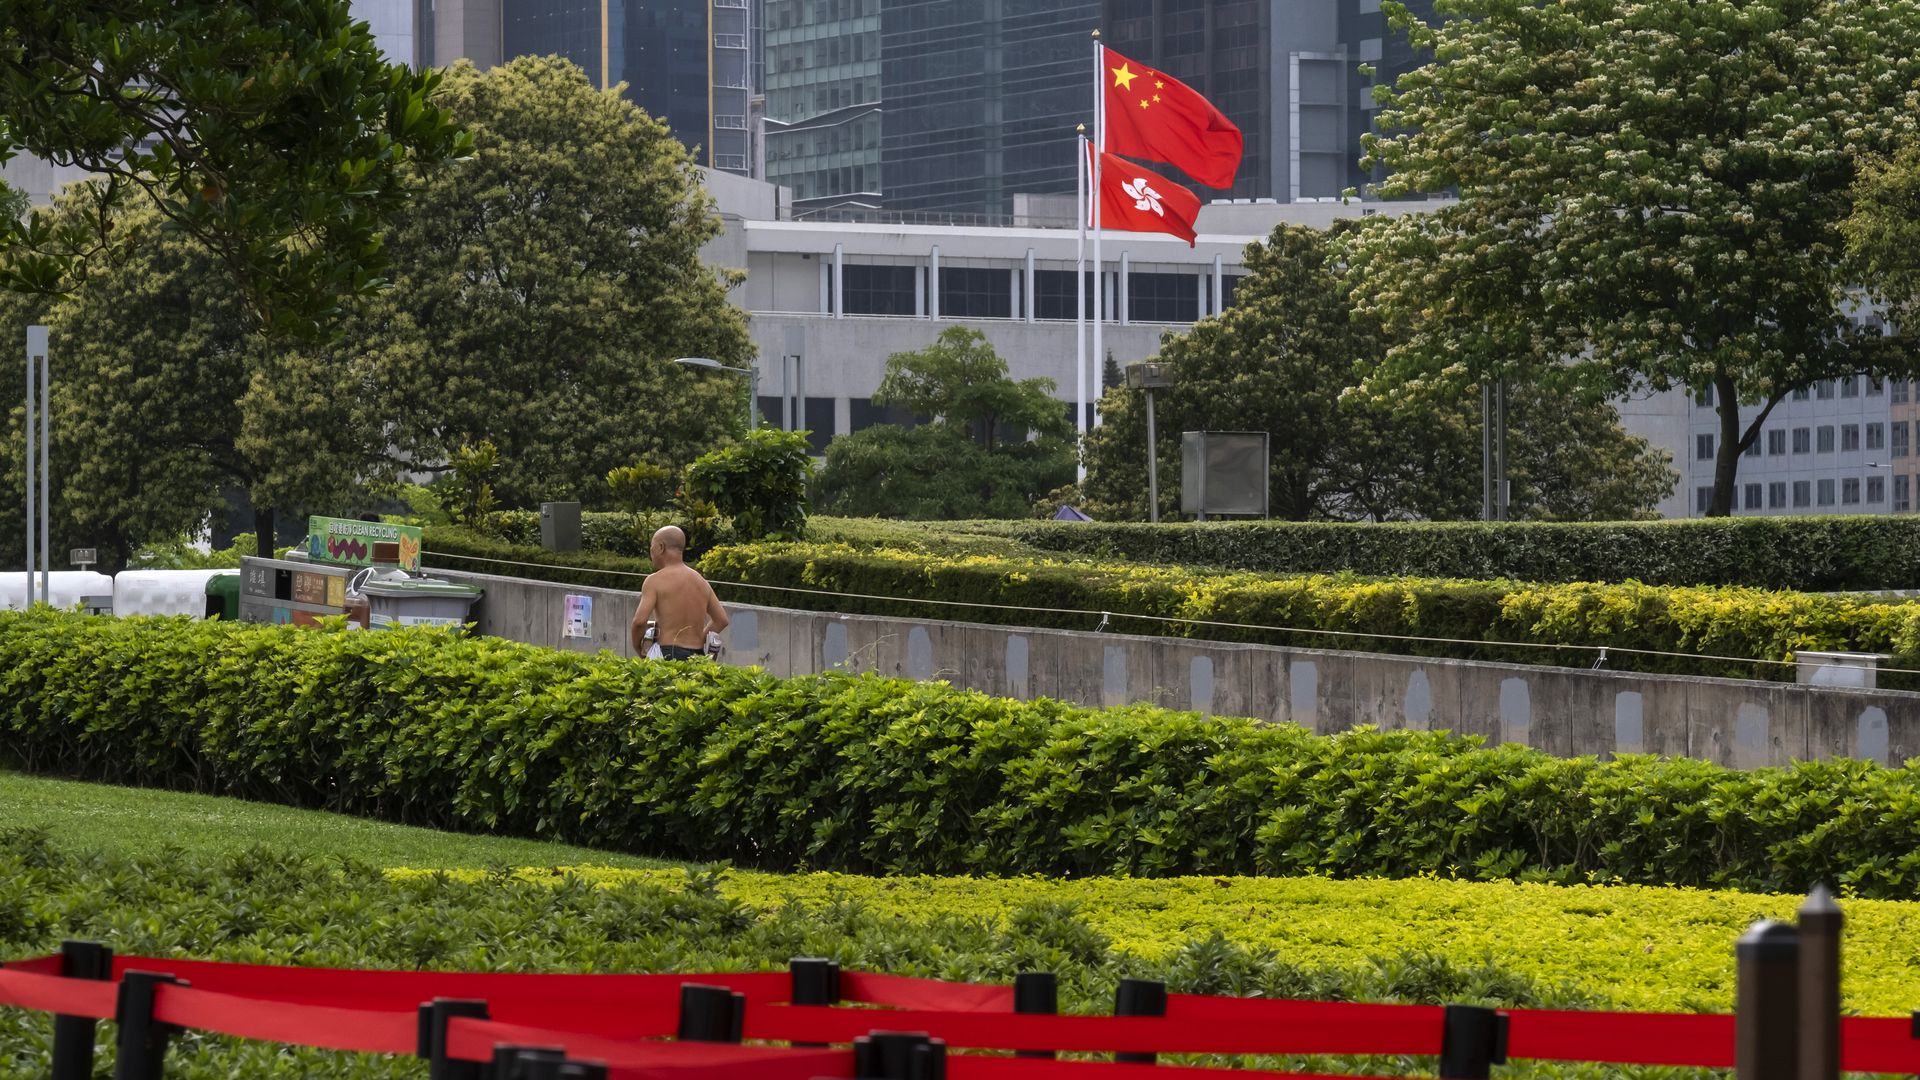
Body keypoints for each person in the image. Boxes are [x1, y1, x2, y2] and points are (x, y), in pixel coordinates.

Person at [630, 525, 729, 661]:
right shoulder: (701, 581)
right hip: (698, 656)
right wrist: (700, 638)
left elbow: (640, 621)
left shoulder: (654, 580)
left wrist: (639, 648)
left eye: (651, 546)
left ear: (660, 547)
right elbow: (721, 620)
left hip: (666, 653)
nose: (651, 551)